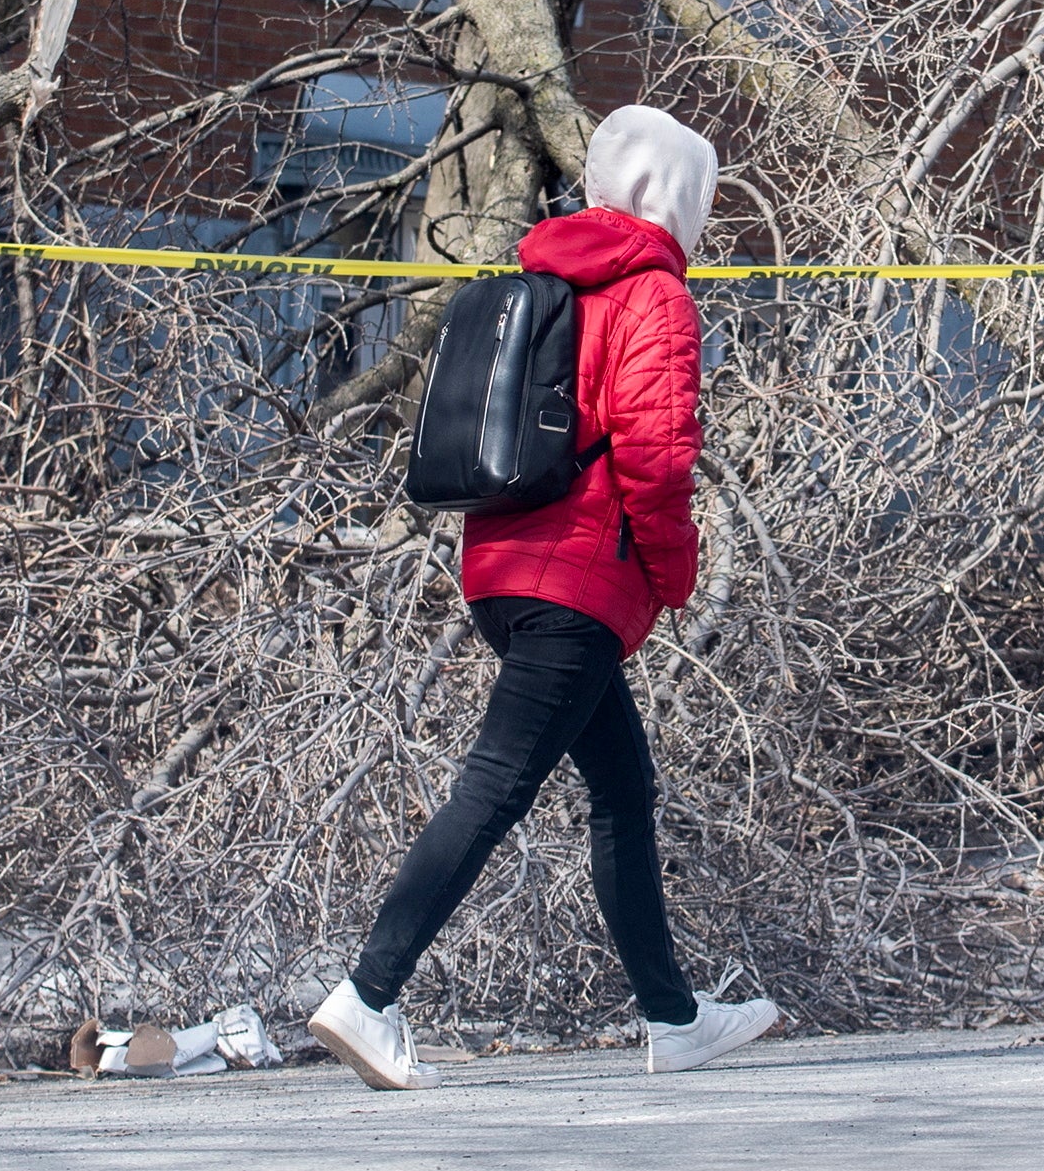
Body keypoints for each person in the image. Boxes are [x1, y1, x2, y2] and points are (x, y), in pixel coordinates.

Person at [307, 104, 780, 1089]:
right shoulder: (649, 290)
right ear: (675, 194)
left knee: (621, 786)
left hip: (503, 564)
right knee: (497, 785)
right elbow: (655, 453)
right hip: (580, 575)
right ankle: (368, 993)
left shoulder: (548, 270)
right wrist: (676, 570)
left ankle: (675, 1015)